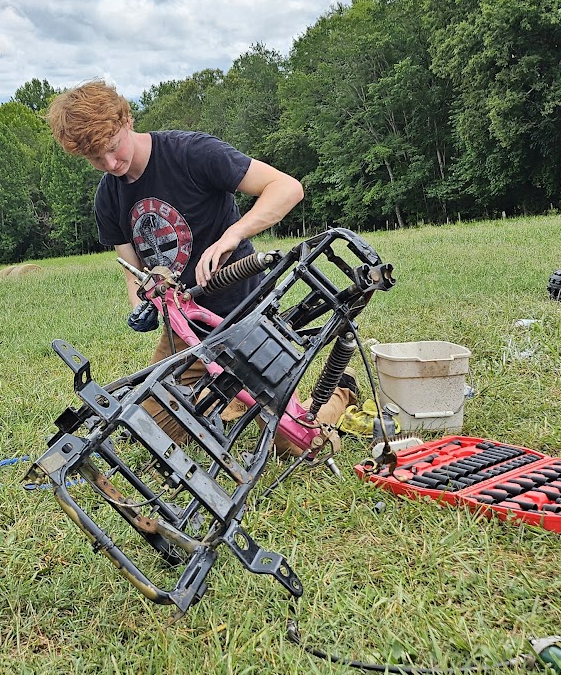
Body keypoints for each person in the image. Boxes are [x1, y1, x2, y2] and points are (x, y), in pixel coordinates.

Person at [47, 79, 353, 455]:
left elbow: (286, 187)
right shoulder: (108, 198)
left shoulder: (191, 152)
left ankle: (341, 391)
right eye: (96, 158)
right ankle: (232, 398)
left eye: (112, 148)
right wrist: (140, 304)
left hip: (245, 316)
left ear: (127, 119)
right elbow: (133, 270)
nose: (110, 164)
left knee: (301, 447)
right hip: (185, 331)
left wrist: (232, 236)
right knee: (152, 435)